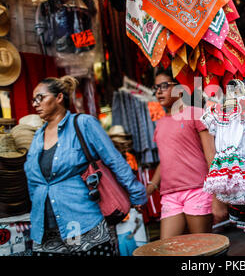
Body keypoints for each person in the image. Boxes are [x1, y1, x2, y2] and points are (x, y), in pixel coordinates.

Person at [24, 76, 147, 256]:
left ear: (59, 97)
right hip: (46, 231)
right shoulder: (37, 137)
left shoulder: (83, 124)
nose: (35, 104)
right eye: (33, 99)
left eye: (40, 97)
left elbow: (114, 160)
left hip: (83, 222)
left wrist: (136, 194)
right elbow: (33, 182)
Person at [146, 67, 228, 240]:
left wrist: (218, 198)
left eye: (164, 86)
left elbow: (211, 156)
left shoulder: (196, 114)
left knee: (201, 248)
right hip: (170, 195)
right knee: (168, 248)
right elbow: (166, 159)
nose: (159, 92)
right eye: (156, 88)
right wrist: (152, 186)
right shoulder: (160, 123)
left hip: (198, 190)